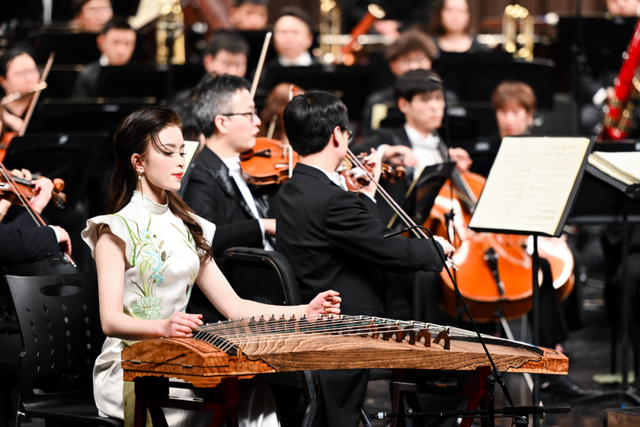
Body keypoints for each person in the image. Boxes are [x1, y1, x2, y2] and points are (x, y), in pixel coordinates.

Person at [80, 105, 341, 424]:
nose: (180, 162)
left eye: (181, 151)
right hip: (131, 366)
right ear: (138, 162)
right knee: (226, 395)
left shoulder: (189, 226)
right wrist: (162, 328)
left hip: (179, 357)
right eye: (167, 152)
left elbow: (234, 305)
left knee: (251, 389)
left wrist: (304, 312)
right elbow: (109, 321)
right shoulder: (114, 229)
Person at [277, 90, 454, 427]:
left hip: (311, 319)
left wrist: (365, 195)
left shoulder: (291, 188)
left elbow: (356, 236)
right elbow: (388, 250)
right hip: (347, 326)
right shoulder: (335, 201)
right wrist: (437, 248)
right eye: (347, 133)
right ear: (337, 135)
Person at [359, 69, 471, 225]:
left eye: (439, 98)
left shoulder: (444, 147)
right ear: (404, 105)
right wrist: (383, 152)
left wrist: (458, 171)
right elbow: (349, 154)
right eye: (426, 99)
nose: (435, 106)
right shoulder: (387, 137)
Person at [360, 29, 445, 135]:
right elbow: (369, 141)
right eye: (406, 61)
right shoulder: (377, 101)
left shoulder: (447, 98)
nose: (414, 67)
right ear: (392, 65)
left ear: (430, 62)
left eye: (419, 60)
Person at [70, 16, 136, 98]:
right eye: (115, 42)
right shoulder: (87, 75)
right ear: (101, 42)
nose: (121, 51)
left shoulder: (141, 76)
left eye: (127, 43)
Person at [0, 48, 41, 136]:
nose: (29, 79)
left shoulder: (43, 109)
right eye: (21, 74)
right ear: (2, 80)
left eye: (33, 71)